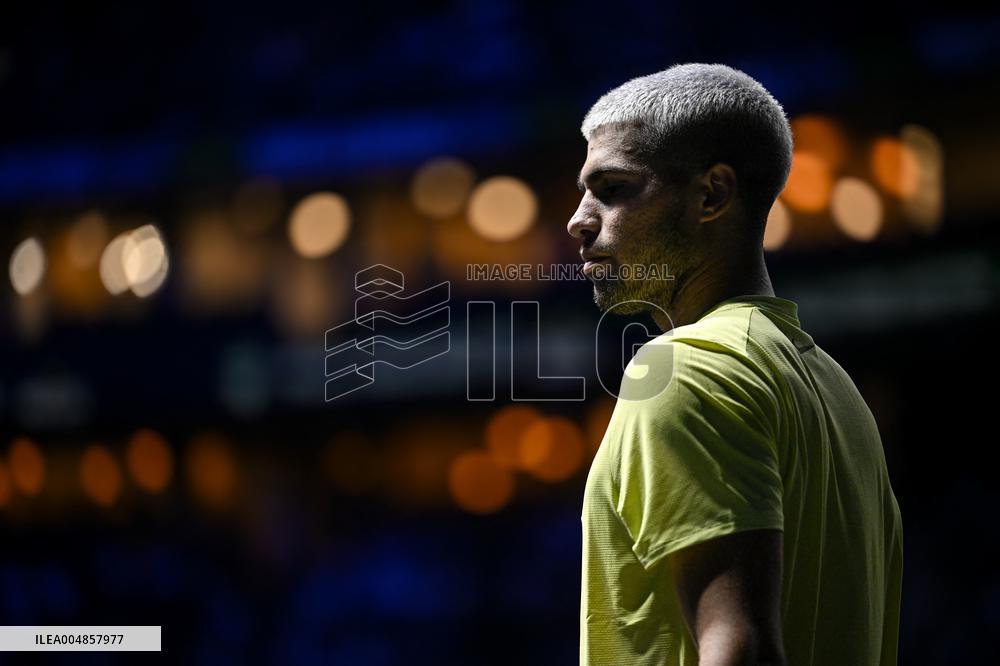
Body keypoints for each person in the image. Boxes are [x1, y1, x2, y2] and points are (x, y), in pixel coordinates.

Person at [569, 63, 903, 665]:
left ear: (712, 195)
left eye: (612, 189)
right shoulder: (836, 388)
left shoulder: (685, 372)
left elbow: (740, 648)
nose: (579, 219)